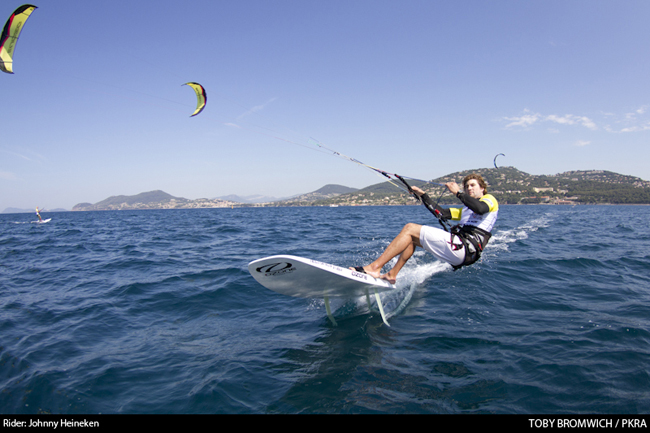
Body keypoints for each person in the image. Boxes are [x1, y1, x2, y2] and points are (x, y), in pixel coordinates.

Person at [351, 174, 498, 283]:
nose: (469, 188)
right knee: (411, 239)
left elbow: (480, 208)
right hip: (461, 251)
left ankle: (374, 268)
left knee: (409, 228)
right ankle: (391, 274)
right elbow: (441, 213)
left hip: (465, 248)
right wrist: (423, 195)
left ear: (483, 188)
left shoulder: (489, 200)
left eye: (473, 185)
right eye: (467, 186)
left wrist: (457, 193)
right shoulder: (465, 211)